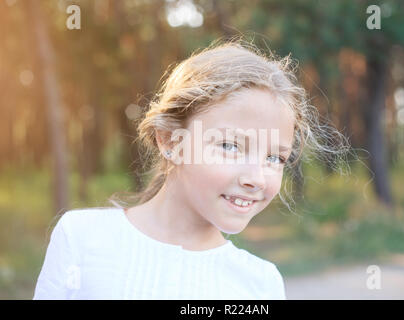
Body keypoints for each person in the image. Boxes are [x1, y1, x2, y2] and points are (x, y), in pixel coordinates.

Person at [33, 38, 349, 300]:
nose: (256, 179)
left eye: (274, 158)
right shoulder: (82, 237)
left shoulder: (260, 285)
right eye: (230, 146)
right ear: (171, 140)